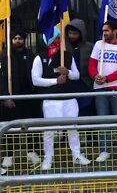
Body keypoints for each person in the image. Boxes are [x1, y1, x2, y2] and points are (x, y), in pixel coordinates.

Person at [32, 29, 91, 170]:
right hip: (51, 100)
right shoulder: (40, 58)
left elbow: (76, 75)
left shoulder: (67, 56)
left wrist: (68, 72)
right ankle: (48, 158)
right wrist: (55, 81)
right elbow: (35, 80)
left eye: (60, 37)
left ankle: (76, 155)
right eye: (56, 38)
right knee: (49, 131)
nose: (59, 40)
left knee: (73, 128)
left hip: (69, 99)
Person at [88, 21, 117, 162]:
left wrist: (107, 78)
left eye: (107, 30)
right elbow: (92, 64)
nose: (104, 33)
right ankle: (104, 150)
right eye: (103, 31)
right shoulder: (98, 45)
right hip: (100, 89)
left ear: (115, 31)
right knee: (103, 121)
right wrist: (95, 76)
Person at [0, 29, 42, 172]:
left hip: (29, 97)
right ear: (11, 40)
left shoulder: (31, 55)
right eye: (15, 38)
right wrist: (5, 97)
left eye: (20, 38)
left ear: (24, 40)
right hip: (11, 98)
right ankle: (9, 155)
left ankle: (32, 152)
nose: (18, 41)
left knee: (31, 126)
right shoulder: (4, 56)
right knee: (10, 127)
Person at [65, 19, 95, 116]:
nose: (72, 36)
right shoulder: (64, 47)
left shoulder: (90, 47)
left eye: (75, 34)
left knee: (85, 110)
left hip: (85, 84)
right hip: (69, 85)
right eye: (70, 33)